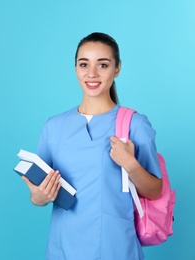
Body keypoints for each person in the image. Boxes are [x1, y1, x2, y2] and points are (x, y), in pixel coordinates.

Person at [21, 32, 163, 260]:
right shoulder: (54, 127)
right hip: (62, 248)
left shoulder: (134, 125)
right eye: (84, 64)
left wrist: (130, 164)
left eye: (103, 65)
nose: (92, 73)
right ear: (75, 68)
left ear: (117, 69)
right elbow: (38, 197)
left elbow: (155, 190)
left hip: (115, 247)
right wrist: (39, 197)